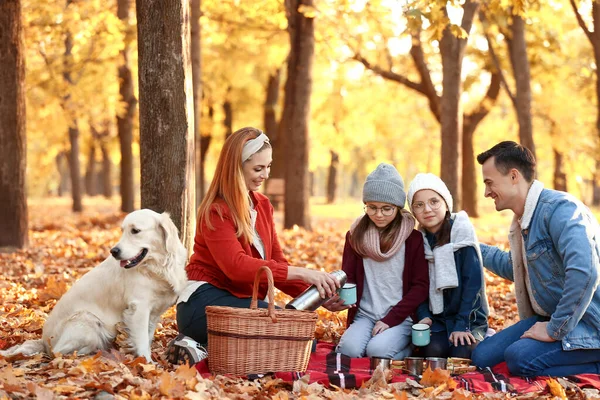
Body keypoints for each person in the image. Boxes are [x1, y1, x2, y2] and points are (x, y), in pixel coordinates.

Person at [167, 127, 340, 364]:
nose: (265, 174)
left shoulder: (262, 205)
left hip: (239, 302)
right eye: (258, 168)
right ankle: (203, 347)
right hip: (203, 304)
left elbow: (277, 265)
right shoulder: (216, 210)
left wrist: (320, 296)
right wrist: (305, 273)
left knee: (299, 340)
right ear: (236, 169)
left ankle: (200, 348)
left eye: (268, 167)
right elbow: (236, 266)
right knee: (292, 338)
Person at [471, 141, 600, 377]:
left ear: (513, 176)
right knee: (482, 357)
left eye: (489, 183)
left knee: (519, 359)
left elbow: (585, 271)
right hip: (552, 316)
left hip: (589, 322)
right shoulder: (526, 218)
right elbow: (518, 268)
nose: (486, 192)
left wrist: (554, 330)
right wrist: (471, 247)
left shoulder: (560, 209)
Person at [333, 163, 429, 360]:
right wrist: (340, 295)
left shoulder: (412, 239)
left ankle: (409, 348)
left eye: (387, 209)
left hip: (400, 316)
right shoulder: (355, 235)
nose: (379, 214)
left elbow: (420, 286)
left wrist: (391, 319)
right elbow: (348, 276)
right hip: (365, 314)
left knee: (377, 352)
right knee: (348, 351)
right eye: (372, 207)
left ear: (397, 207)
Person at [407, 173, 488, 359]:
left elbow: (472, 283)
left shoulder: (461, 232)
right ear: (413, 211)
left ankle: (483, 336)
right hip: (438, 318)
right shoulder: (418, 241)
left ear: (446, 203)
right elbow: (417, 283)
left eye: (434, 201)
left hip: (468, 316)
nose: (427, 209)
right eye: (419, 205)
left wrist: (462, 324)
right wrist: (423, 314)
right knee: (433, 352)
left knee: (459, 353)